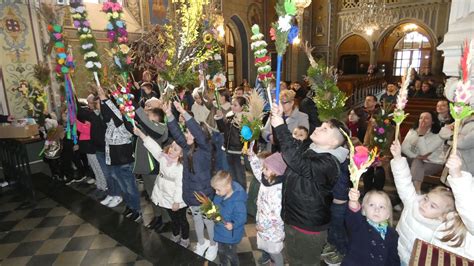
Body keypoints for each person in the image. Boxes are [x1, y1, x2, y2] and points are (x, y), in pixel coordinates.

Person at [271, 103, 349, 265]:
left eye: (325, 129)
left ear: (334, 141)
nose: (318, 128)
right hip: (292, 218)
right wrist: (280, 120)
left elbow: (295, 160)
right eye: (321, 125)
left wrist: (280, 126)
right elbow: (287, 147)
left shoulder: (329, 163)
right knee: (292, 259)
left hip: (308, 228)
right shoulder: (311, 148)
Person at [390, 141, 472, 264]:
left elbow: (469, 213)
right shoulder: (413, 203)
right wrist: (397, 158)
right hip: (396, 253)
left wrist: (457, 176)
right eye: (426, 198)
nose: (424, 204)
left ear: (443, 215)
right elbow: (403, 182)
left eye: (433, 206)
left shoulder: (445, 229)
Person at [164, 101, 218, 260]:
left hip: (205, 195)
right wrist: (169, 115)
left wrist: (183, 112)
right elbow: (176, 133)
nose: (186, 134)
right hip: (191, 194)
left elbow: (198, 134)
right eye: (186, 132)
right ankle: (202, 242)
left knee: (209, 221)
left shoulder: (206, 149)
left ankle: (214, 244)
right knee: (196, 219)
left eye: (189, 132)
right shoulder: (187, 148)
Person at [135, 127, 190, 248]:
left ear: (181, 154)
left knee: (182, 219)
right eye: (171, 147)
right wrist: (142, 135)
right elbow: (154, 148)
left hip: (177, 199)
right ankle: (176, 234)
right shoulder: (164, 158)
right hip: (166, 195)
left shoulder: (180, 167)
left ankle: (185, 237)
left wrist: (176, 201)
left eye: (175, 150)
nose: (171, 150)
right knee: (173, 218)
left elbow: (180, 186)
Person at [97, 86, 142, 221]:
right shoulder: (111, 121)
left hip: (124, 159)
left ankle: (136, 209)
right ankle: (129, 205)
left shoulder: (126, 119)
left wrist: (104, 98)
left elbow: (116, 113)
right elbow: (107, 113)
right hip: (114, 158)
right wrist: (102, 100)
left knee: (129, 185)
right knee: (122, 185)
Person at [133, 98, 170, 231]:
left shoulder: (161, 128)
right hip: (145, 167)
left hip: (154, 167)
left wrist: (134, 104)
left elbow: (147, 124)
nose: (146, 117)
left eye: (149, 115)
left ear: (156, 117)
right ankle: (158, 216)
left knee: (159, 194)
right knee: (151, 194)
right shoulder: (148, 127)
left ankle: (167, 220)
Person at [248, 145, 286, 266]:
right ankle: (271, 261)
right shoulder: (267, 179)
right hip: (263, 222)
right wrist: (252, 158)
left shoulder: (277, 191)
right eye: (264, 167)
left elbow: (277, 216)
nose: (263, 170)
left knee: (275, 252)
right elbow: (257, 171)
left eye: (266, 168)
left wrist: (263, 226)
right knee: (268, 250)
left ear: (276, 171)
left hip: (272, 229)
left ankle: (278, 263)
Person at [341, 188, 400, 265]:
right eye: (372, 205)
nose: (377, 209)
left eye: (382, 207)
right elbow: (353, 216)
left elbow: (393, 259)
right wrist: (353, 201)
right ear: (364, 210)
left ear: (388, 215)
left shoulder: (392, 234)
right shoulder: (359, 225)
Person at [401, 111, 443, 194]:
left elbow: (425, 153)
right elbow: (404, 148)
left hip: (433, 162)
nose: (423, 120)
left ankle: (413, 194)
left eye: (426, 118)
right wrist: (415, 156)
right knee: (415, 162)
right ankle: (416, 192)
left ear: (433, 122)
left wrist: (421, 135)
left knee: (411, 169)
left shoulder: (439, 134)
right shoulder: (413, 130)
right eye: (421, 118)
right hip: (414, 159)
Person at [211, 171, 248, 266]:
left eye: (218, 190)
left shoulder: (237, 201)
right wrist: (211, 212)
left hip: (230, 234)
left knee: (231, 254)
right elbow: (216, 207)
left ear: (227, 187)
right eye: (215, 190)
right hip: (220, 230)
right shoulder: (219, 195)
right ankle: (223, 263)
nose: (216, 192)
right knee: (221, 251)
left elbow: (242, 217)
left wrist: (233, 224)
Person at [215, 96, 247, 190]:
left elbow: (247, 136)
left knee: (240, 174)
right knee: (232, 174)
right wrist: (220, 118)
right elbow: (222, 130)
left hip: (238, 151)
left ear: (242, 107)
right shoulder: (229, 115)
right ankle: (234, 192)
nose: (232, 107)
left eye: (235, 105)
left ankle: (242, 193)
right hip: (228, 149)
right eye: (232, 104)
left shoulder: (245, 118)